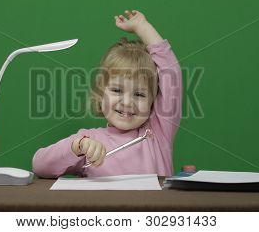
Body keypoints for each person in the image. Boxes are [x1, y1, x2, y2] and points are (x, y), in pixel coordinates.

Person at [32, 10, 182, 178]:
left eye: (139, 94)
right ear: (101, 94)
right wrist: (77, 147)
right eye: (117, 90)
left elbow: (172, 73)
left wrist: (142, 27)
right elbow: (39, 165)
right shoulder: (89, 140)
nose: (127, 102)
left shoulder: (158, 131)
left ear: (152, 102)